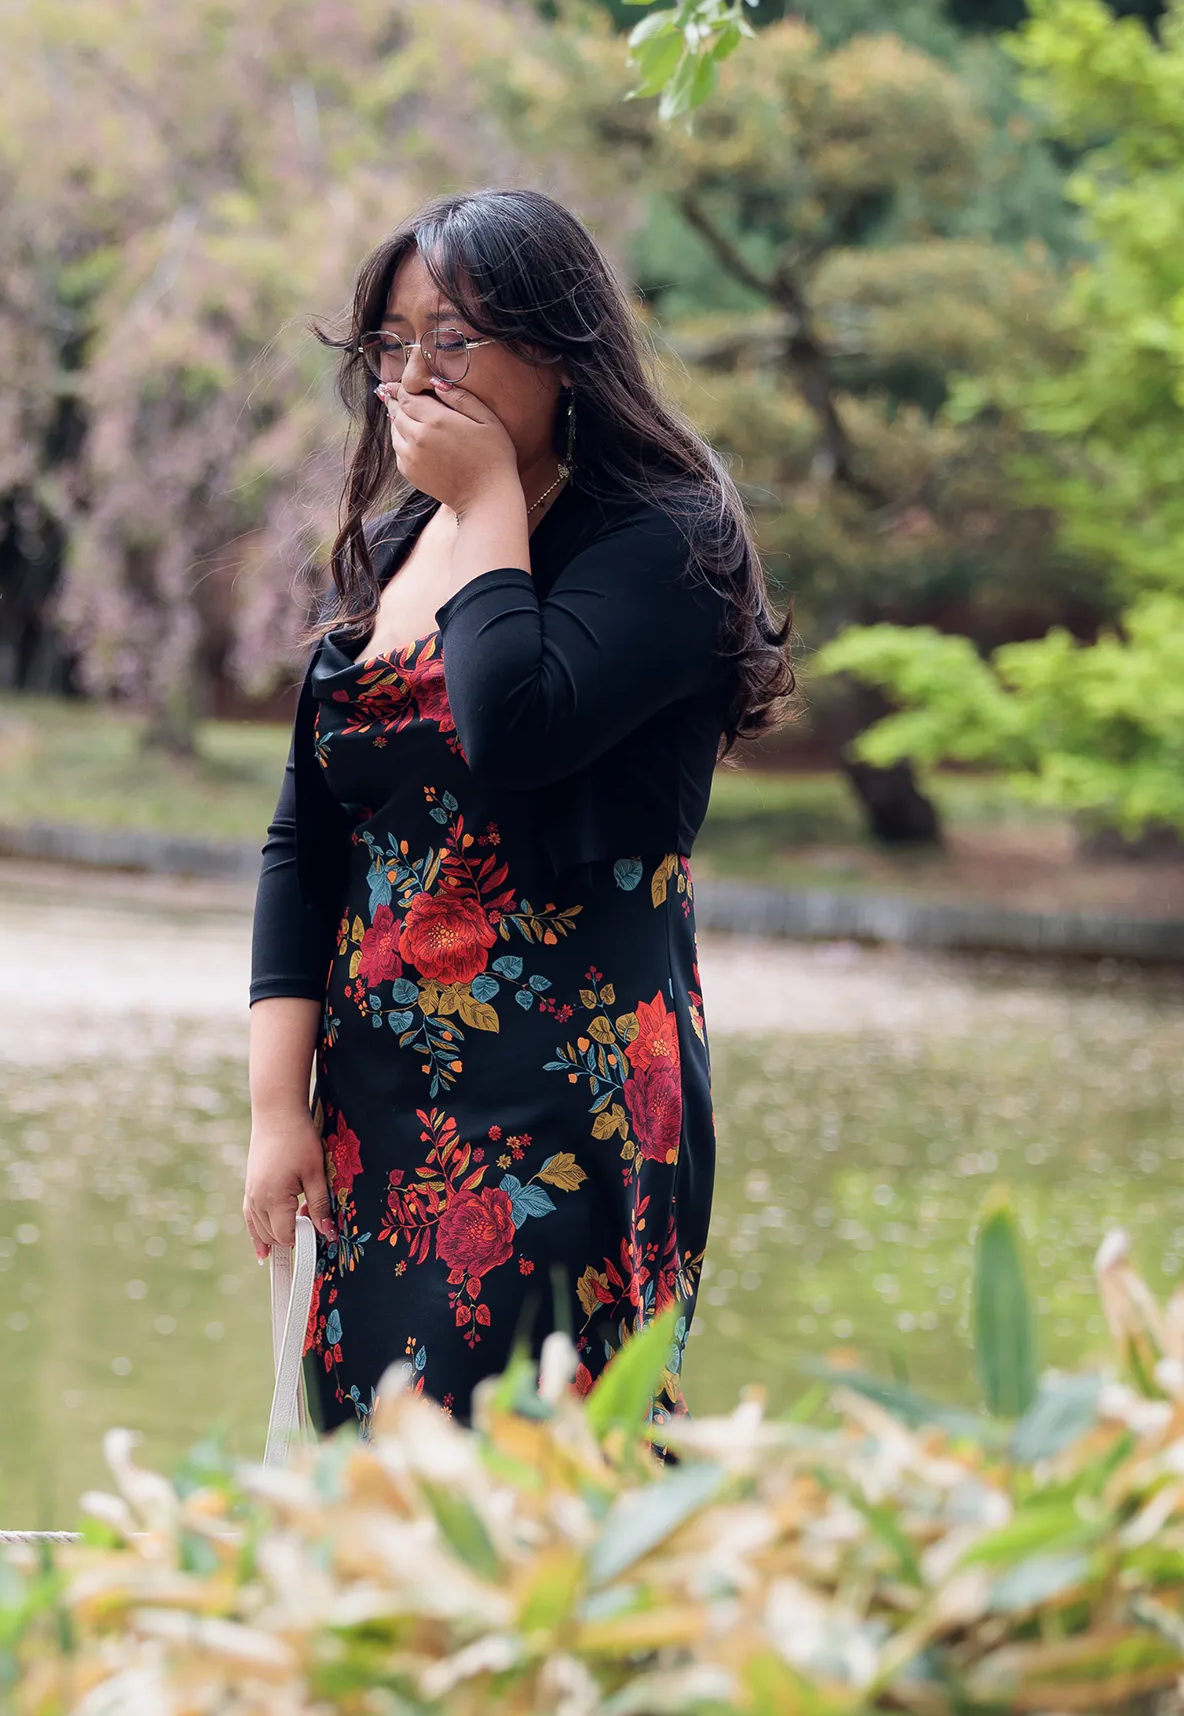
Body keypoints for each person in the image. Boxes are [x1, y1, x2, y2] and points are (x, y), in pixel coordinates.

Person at [242, 189, 793, 1430]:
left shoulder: (664, 538)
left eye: (457, 335)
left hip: (564, 1102)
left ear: (560, 345)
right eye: (395, 340)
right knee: (376, 1465)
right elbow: (305, 840)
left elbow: (518, 730)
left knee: (535, 1464)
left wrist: (489, 501)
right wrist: (280, 1111)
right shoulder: (397, 548)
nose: (417, 372)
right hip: (379, 1100)